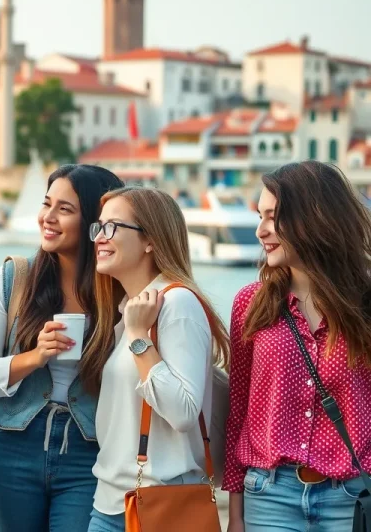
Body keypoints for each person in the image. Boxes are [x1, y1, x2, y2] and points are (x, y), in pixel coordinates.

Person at [0, 164, 124, 532]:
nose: (48, 218)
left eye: (65, 209)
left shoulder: (123, 290)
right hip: (11, 448)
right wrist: (34, 357)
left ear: (95, 221)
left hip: (89, 451)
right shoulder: (15, 278)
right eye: (46, 204)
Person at [224, 161, 371, 532]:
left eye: (273, 217)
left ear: (314, 216)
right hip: (269, 497)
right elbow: (238, 411)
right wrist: (236, 515)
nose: (261, 231)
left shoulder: (365, 303)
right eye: (260, 216)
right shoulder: (250, 303)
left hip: (354, 498)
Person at [88, 187, 230, 532]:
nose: (99, 238)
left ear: (150, 240)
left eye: (112, 227)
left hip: (163, 503)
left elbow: (183, 412)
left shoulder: (177, 305)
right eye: (99, 227)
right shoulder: (128, 310)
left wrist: (139, 339)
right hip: (111, 502)